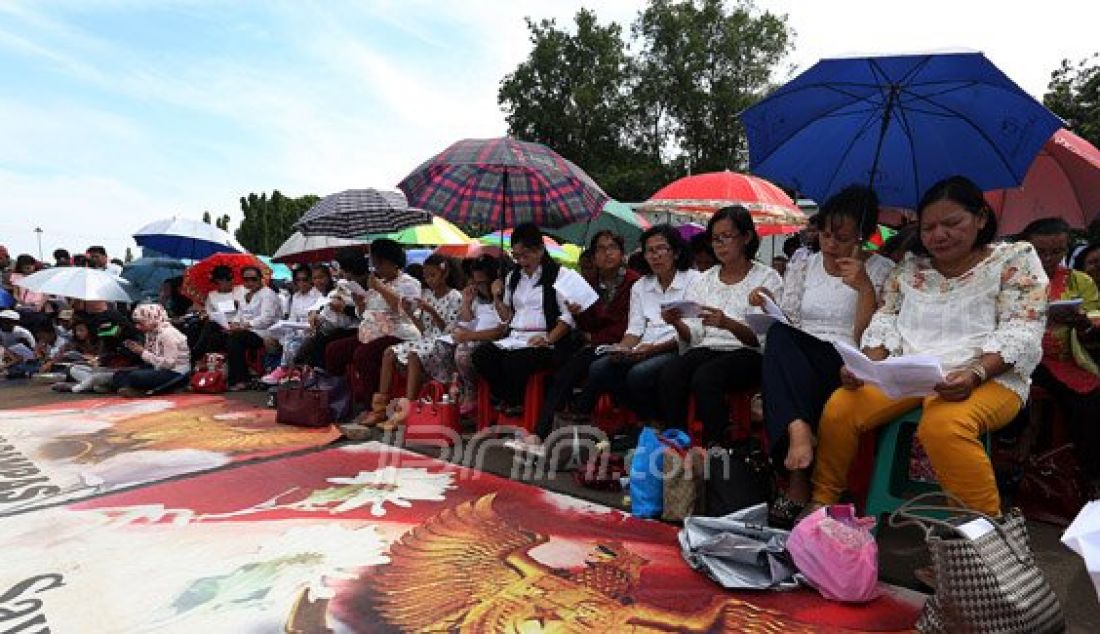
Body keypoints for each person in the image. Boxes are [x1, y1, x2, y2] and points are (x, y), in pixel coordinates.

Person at [808, 175, 1048, 519]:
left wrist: (975, 373)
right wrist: (867, 365)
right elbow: (886, 319)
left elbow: (1023, 328)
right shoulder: (911, 268)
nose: (938, 235)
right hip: (909, 373)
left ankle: (979, 543)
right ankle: (823, 503)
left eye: (952, 223)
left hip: (990, 377)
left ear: (980, 218)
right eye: (929, 226)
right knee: (841, 406)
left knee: (944, 424)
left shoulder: (1014, 259)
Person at [755, 185, 895, 516]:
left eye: (843, 238)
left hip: (848, 361)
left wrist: (864, 289)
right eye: (826, 235)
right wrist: (766, 305)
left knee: (786, 365)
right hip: (802, 355)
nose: (831, 245)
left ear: (864, 236)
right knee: (779, 334)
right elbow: (791, 319)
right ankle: (799, 433)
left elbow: (870, 338)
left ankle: (798, 478)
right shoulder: (804, 263)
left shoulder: (881, 270)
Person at [661, 206, 783, 445]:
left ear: (746, 237)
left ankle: (718, 445)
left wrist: (728, 324)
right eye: (715, 239)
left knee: (706, 377)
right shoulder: (705, 279)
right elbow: (695, 334)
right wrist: (676, 323)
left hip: (749, 354)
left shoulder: (767, 278)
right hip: (708, 349)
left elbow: (764, 338)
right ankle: (676, 440)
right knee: (671, 373)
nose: (719, 245)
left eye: (726, 237)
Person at [570, 224, 701, 428]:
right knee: (600, 368)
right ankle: (647, 418)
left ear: (675, 252)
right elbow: (635, 329)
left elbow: (693, 332)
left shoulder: (694, 280)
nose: (655, 256)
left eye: (661, 249)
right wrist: (622, 348)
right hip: (644, 347)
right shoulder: (641, 285)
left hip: (678, 346)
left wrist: (651, 350)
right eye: (650, 251)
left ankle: (660, 422)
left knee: (638, 374)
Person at [527, 231, 640, 446]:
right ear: (594, 256)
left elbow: (628, 325)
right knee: (563, 370)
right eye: (600, 249)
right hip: (595, 344)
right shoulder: (589, 282)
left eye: (612, 248)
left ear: (622, 253)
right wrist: (578, 312)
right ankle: (542, 431)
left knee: (583, 370)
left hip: (623, 344)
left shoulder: (634, 282)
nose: (606, 254)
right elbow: (589, 323)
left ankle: (565, 432)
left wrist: (594, 336)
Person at [472, 222, 585, 419]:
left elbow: (568, 319)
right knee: (481, 355)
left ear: (540, 250)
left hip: (545, 339)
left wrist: (548, 339)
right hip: (515, 337)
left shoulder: (560, 275)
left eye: (526, 255)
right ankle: (512, 399)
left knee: (515, 363)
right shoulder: (512, 277)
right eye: (517, 256)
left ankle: (516, 402)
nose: (522, 261)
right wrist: (497, 297)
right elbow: (507, 317)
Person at [1018, 218, 1100, 480]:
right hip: (1018, 356)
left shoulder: (1080, 282)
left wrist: (1081, 323)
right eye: (1039, 251)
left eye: (1056, 251)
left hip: (1064, 358)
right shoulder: (1012, 277)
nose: (1048, 258)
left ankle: (1087, 474)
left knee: (1089, 394)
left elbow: (1094, 325)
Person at [327, 241, 421, 420]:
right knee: (334, 350)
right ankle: (339, 398)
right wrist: (359, 302)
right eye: (374, 264)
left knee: (364, 354)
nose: (376, 268)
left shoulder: (409, 283)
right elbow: (365, 313)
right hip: (372, 332)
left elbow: (404, 309)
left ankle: (371, 406)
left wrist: (380, 288)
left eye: (380, 264)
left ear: (393, 262)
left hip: (399, 333)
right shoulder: (376, 283)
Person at [375, 255, 463, 428]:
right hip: (427, 340)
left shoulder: (455, 297)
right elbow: (423, 329)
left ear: (444, 275)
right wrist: (409, 312)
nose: (429, 280)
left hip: (444, 344)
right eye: (426, 276)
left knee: (415, 356)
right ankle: (379, 407)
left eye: (433, 275)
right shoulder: (427, 295)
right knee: (389, 352)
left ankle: (408, 410)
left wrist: (433, 312)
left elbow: (448, 331)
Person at [261, 264, 325, 384]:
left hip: (311, 329)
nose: (302, 283)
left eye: (305, 279)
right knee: (280, 337)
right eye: (298, 280)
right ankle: (285, 369)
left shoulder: (317, 295)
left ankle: (286, 369)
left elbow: (317, 317)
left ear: (311, 279)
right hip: (296, 330)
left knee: (293, 342)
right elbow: (292, 318)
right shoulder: (296, 296)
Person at [113, 303, 191, 396]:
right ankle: (133, 389)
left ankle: (136, 388)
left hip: (175, 373)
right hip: (158, 369)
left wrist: (142, 352)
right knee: (119, 375)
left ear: (152, 320)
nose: (137, 326)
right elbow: (152, 358)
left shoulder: (168, 334)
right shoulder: (151, 333)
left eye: (141, 323)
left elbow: (169, 363)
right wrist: (135, 349)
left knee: (135, 376)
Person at [225, 265, 282, 391]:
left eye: (253, 279)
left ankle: (241, 379)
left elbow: (266, 319)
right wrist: (233, 324)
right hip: (247, 330)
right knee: (217, 333)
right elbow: (240, 315)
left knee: (236, 338)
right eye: (246, 279)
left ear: (261, 279)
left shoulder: (268, 295)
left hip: (264, 332)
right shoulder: (244, 294)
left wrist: (245, 325)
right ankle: (216, 373)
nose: (250, 282)